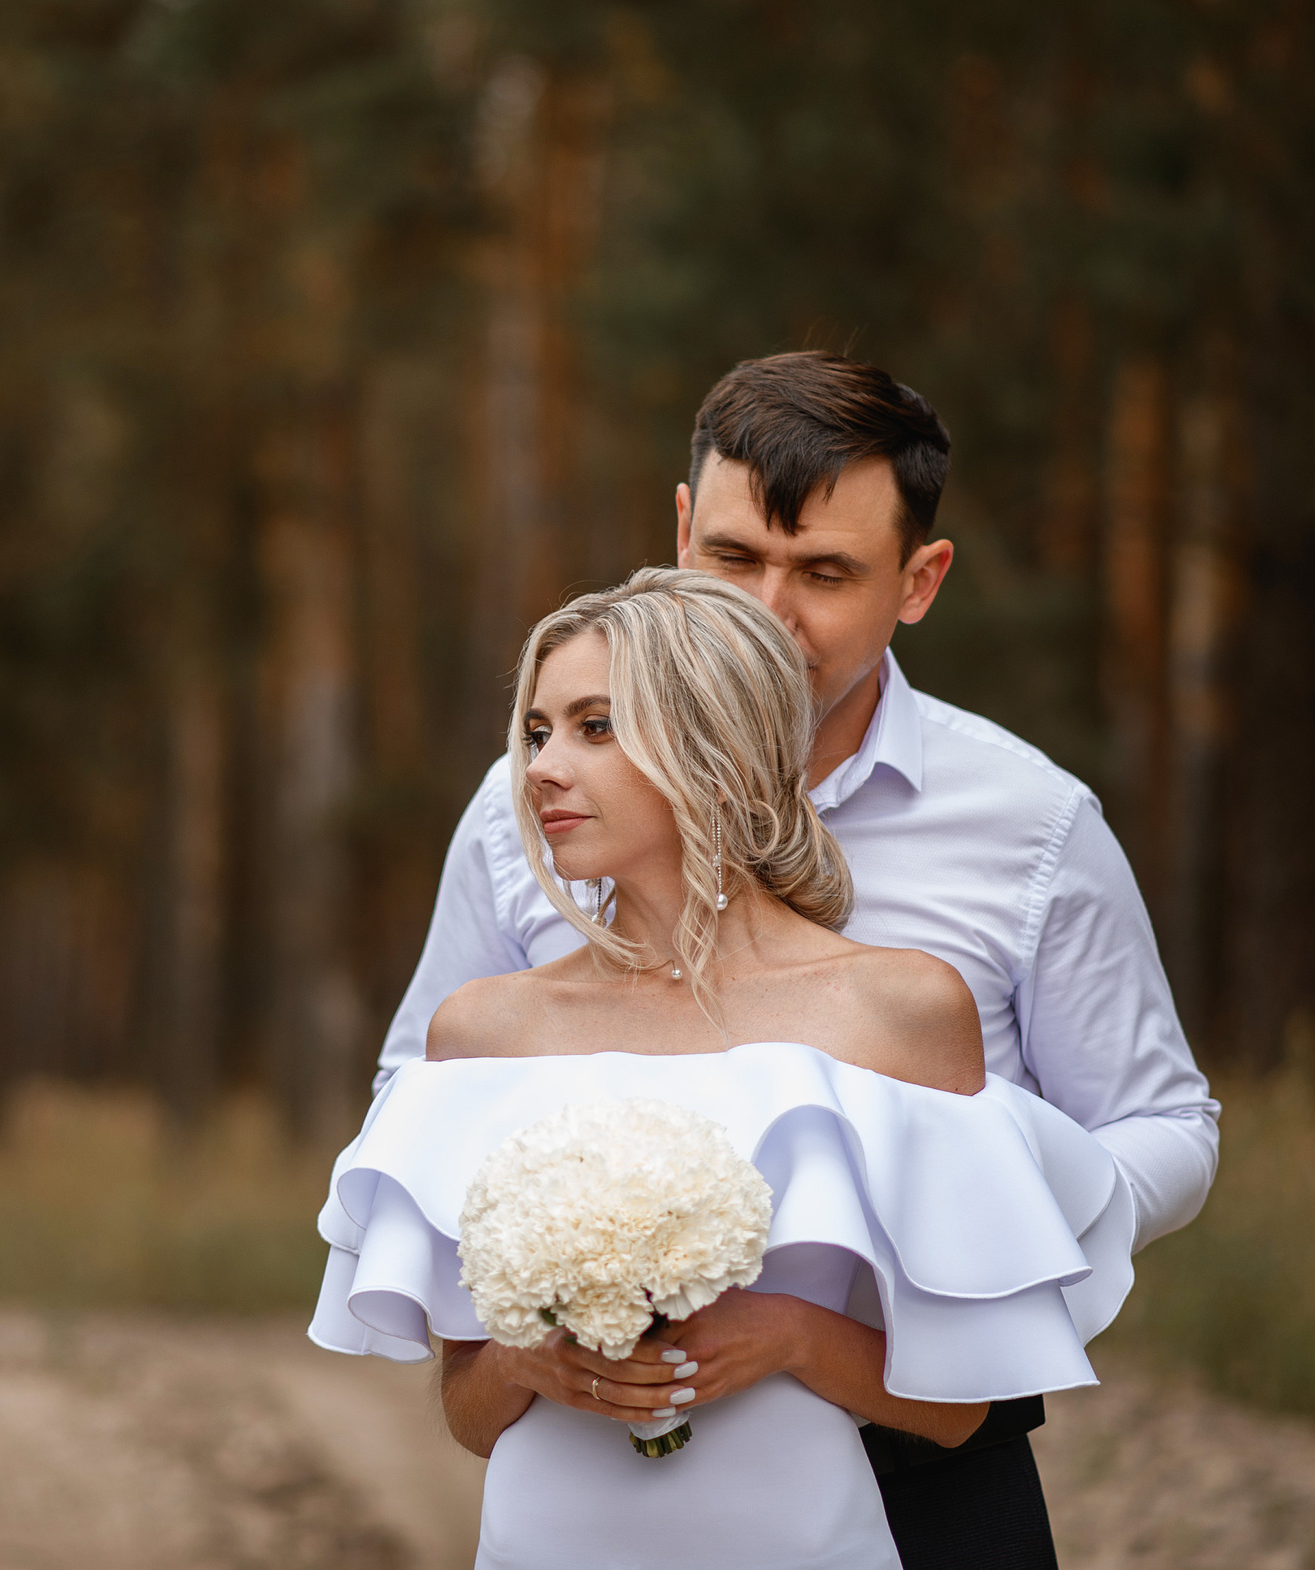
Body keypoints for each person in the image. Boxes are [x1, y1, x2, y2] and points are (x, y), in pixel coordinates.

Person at [374, 352, 1217, 1566]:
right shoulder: (523, 818)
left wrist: (980, 1223)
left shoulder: (1028, 826)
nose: (765, 614)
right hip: (595, 1474)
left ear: (918, 580)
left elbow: (1162, 1123)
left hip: (920, 1463)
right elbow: (426, 1112)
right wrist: (559, 1305)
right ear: (675, 534)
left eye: (822, 572)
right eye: (730, 559)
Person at [309, 569, 1137, 1570]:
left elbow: (963, 1416)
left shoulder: (900, 1013)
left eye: (594, 727)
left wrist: (789, 1333)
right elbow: (472, 1415)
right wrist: (534, 1359)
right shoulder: (485, 1034)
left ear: (714, 748)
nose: (540, 769)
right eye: (536, 732)